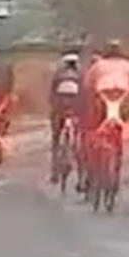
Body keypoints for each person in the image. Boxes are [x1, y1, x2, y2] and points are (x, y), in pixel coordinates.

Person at [47, 51, 82, 182]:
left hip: (60, 112)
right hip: (73, 112)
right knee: (79, 141)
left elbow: (51, 96)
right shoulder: (81, 75)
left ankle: (55, 172)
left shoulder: (58, 75)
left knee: (56, 140)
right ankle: (81, 175)